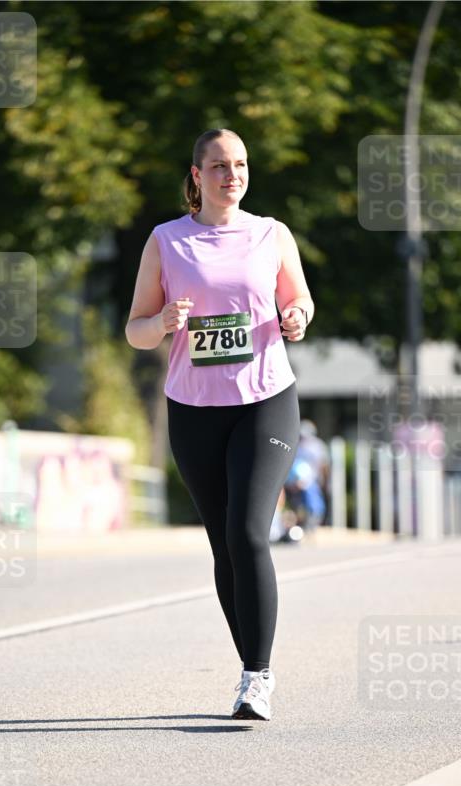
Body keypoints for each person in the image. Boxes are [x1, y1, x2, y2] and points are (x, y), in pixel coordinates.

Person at [125, 128, 314, 721]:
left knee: (249, 532)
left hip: (265, 401)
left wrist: (295, 317)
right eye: (218, 166)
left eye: (239, 164)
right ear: (197, 175)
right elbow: (133, 329)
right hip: (194, 408)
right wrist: (162, 321)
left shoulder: (271, 234)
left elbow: (302, 301)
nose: (231, 175)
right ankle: (249, 665)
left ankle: (256, 677)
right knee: (222, 544)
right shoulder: (166, 241)